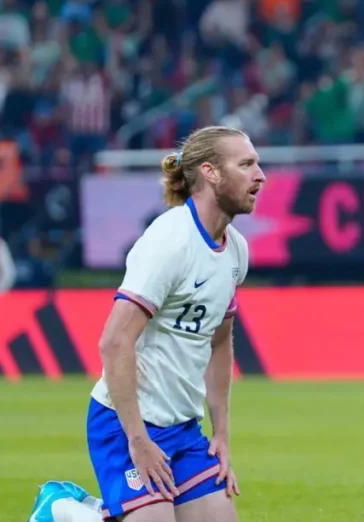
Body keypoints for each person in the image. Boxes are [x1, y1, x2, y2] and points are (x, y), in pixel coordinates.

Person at [28, 126, 265, 522]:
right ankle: (64, 511)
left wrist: (221, 433)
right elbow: (114, 342)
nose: (260, 175)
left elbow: (219, 343)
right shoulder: (169, 241)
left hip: (184, 430)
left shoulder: (236, 250)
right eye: (246, 164)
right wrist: (137, 440)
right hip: (125, 425)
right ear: (210, 172)